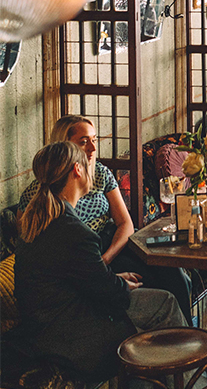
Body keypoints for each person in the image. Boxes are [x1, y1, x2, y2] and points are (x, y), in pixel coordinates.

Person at [14, 142, 185, 383]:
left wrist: (115, 280)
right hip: (73, 335)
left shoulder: (37, 221)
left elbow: (81, 279)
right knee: (163, 309)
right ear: (77, 170)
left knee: (160, 303)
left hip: (44, 328)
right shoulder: (73, 231)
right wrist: (121, 284)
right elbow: (108, 292)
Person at [17, 115, 192, 322]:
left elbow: (125, 224)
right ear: (65, 148)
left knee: (173, 272)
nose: (93, 148)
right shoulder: (41, 198)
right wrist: (105, 272)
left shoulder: (100, 172)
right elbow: (42, 250)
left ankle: (190, 334)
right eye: (84, 142)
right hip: (86, 259)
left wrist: (105, 260)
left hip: (113, 243)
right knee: (153, 286)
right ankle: (176, 336)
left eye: (94, 140)